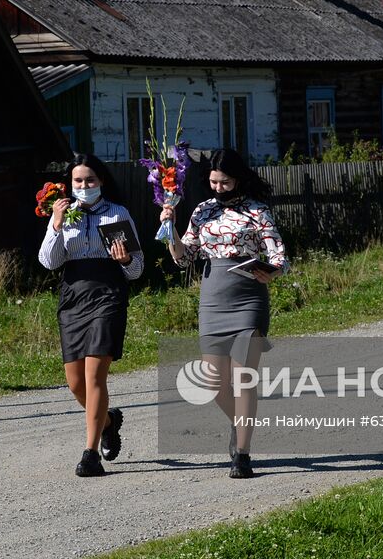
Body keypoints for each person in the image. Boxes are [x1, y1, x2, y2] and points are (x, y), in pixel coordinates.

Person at [161, 148, 287, 479]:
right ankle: (238, 421)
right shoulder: (202, 212)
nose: (218, 188)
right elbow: (184, 258)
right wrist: (170, 228)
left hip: (249, 297)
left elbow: (279, 257)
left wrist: (271, 272)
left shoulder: (257, 211)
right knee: (215, 382)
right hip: (213, 296)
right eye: (214, 182)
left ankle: (242, 454)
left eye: (225, 182)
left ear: (239, 179)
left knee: (243, 378)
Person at [38, 154, 143, 477]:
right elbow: (49, 262)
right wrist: (55, 226)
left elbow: (137, 269)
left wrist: (125, 261)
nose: (84, 186)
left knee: (95, 375)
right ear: (70, 185)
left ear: (102, 182)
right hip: (73, 297)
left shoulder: (116, 213)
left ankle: (90, 453)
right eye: (78, 181)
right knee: (75, 383)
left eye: (90, 180)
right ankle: (109, 421)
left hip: (108, 294)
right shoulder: (62, 215)